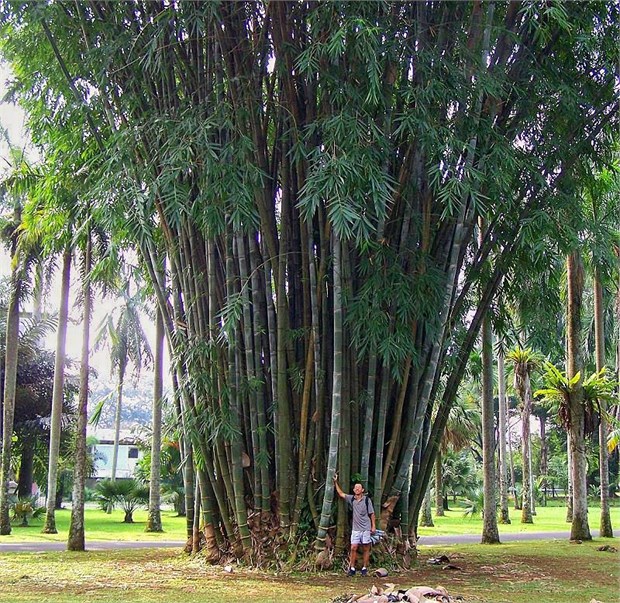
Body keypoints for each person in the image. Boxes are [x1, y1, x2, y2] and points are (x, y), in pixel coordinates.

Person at [333, 473, 376, 576]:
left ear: (362, 490)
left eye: (359, 488)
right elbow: (341, 494)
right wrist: (335, 482)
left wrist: (373, 526)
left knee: (366, 548)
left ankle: (364, 568)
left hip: (366, 528)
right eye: (355, 488)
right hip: (355, 529)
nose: (357, 489)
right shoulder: (351, 499)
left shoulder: (366, 500)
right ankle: (352, 568)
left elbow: (372, 513)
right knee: (353, 547)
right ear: (353, 490)